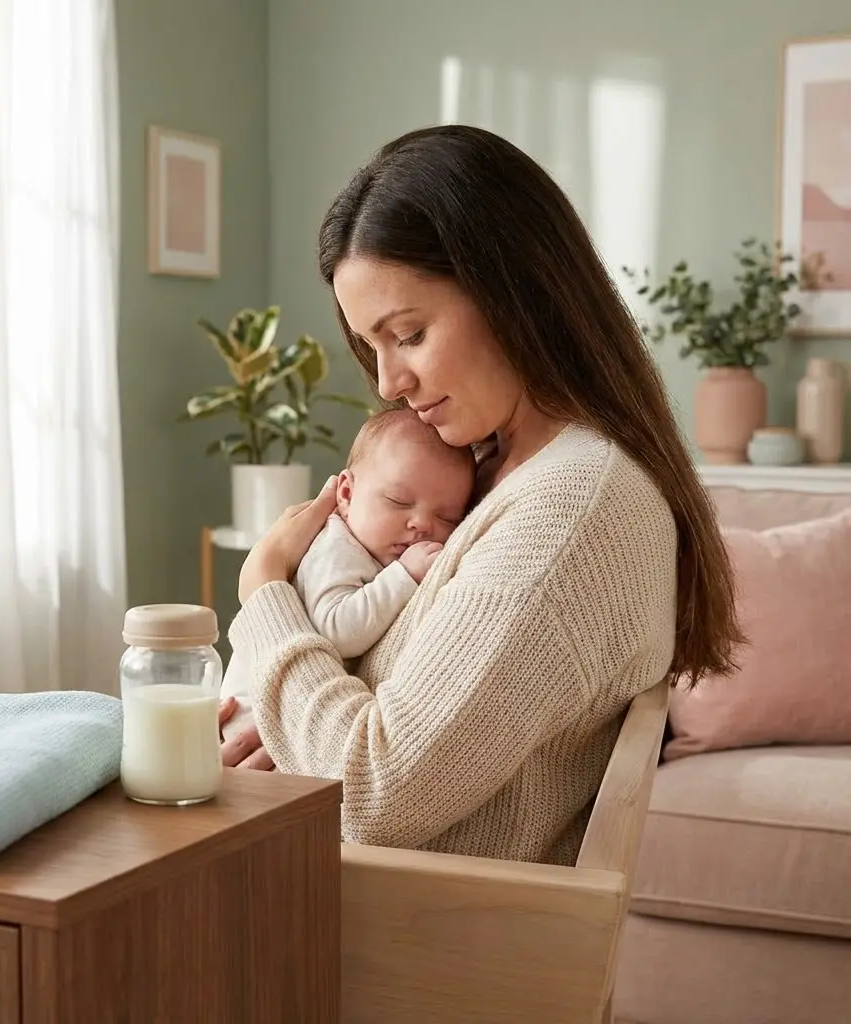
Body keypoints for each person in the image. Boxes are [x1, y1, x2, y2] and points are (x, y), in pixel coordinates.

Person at [218, 124, 741, 865]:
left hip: (400, 922)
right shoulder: (493, 473)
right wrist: (295, 733)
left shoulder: (570, 512)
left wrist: (265, 588)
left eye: (408, 334)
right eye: (371, 347)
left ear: (512, 292)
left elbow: (374, 793)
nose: (387, 383)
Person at [220, 407, 475, 742]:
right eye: (399, 501)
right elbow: (337, 630)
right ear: (346, 494)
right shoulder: (337, 548)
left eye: (447, 518)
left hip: (299, 716)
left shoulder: (371, 549)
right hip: (254, 716)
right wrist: (403, 576)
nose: (422, 524)